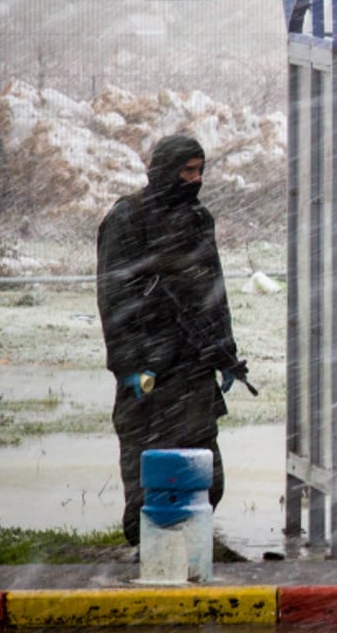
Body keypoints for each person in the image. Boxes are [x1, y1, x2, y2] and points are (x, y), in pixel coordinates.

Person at [96, 134, 249, 547]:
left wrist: (225, 352)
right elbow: (114, 299)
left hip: (194, 362)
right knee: (148, 464)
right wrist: (128, 365)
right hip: (150, 366)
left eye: (200, 171)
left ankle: (190, 544)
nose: (195, 179)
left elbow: (213, 289)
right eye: (187, 171)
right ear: (165, 171)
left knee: (205, 470)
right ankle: (151, 547)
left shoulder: (198, 218)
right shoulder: (128, 218)